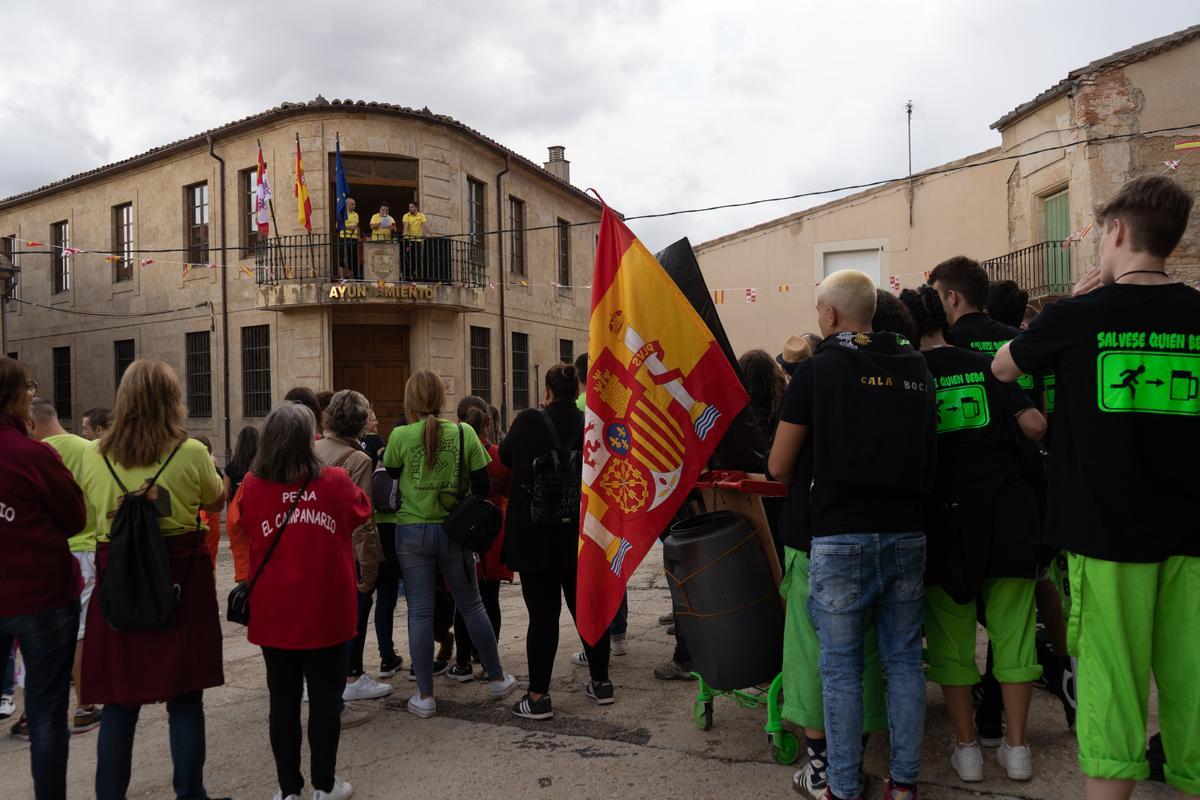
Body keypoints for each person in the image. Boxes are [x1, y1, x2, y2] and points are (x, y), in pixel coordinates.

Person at [992, 175, 1200, 800]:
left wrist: (1069, 307)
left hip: (1106, 537)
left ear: (1114, 232)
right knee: (1192, 681)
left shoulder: (1077, 316)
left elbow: (1003, 367)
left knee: (1112, 684)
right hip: (1193, 535)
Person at [768, 270, 936, 800]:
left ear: (832, 315)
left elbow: (778, 465)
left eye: (820, 311)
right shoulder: (917, 368)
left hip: (840, 538)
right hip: (909, 533)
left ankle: (840, 787)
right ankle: (903, 786)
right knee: (905, 663)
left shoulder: (817, 372)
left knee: (839, 670)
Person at [899, 286, 1047, 782]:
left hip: (945, 524)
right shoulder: (986, 364)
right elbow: (1033, 424)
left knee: (951, 639)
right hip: (1008, 515)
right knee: (1014, 637)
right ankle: (1018, 747)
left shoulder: (910, 378)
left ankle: (967, 751)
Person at [76, 359, 228, 800]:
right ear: (172, 400)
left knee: (120, 702)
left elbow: (86, 508)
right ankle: (189, 793)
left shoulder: (93, 454)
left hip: (118, 574)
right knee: (185, 699)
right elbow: (215, 501)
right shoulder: (191, 452)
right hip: (179, 576)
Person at [235, 402, 371, 800]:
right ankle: (324, 786)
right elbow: (362, 511)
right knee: (325, 702)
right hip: (327, 609)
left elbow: (240, 521)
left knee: (283, 702)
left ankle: (288, 789)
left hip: (275, 612)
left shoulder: (253, 485)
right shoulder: (335, 482)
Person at [382, 370, 517, 718]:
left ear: (410, 400)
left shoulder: (399, 435)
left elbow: (393, 472)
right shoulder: (463, 432)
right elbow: (483, 484)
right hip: (452, 532)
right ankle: (497, 677)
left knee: (420, 611)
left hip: (411, 532)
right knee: (471, 605)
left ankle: (425, 696)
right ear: (442, 399)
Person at [501, 363, 613, 720]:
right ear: (576, 389)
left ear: (546, 392)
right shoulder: (589, 422)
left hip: (536, 535)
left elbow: (506, 460)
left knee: (543, 617)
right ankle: (601, 683)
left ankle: (538, 697)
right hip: (580, 533)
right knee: (586, 609)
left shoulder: (527, 422)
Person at [0, 357, 86, 799]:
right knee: (49, 710)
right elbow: (75, 516)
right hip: (42, 598)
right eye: (28, 388)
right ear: (15, 398)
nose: (32, 394)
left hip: (34, 597)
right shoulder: (34, 455)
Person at [30, 398, 102, 735]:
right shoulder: (87, 448)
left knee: (45, 632)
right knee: (80, 632)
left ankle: (38, 711)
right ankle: (83, 707)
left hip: (49, 552)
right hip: (86, 546)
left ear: (33, 424)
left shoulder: (32, 454)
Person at [314, 391, 387, 703]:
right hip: (344, 551)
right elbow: (362, 518)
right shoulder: (358, 459)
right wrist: (369, 566)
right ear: (360, 425)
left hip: (312, 545)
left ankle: (317, 680)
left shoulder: (311, 449)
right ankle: (350, 677)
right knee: (351, 617)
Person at [448, 405, 514, 681]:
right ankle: (488, 660)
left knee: (463, 600)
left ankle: (462, 662)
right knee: (490, 598)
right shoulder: (498, 455)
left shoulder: (455, 454)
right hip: (493, 527)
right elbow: (509, 489)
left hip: (464, 527)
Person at [224, 426, 258, 583]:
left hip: (236, 516)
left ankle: (244, 582)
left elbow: (224, 494)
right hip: (257, 514)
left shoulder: (231, 467)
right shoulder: (260, 467)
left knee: (241, 554)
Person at [193, 435, 223, 568]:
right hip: (211, 516)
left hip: (201, 517)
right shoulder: (213, 471)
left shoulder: (193, 471)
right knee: (210, 558)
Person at [338, 196, 360, 281]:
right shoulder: (342, 214)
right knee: (342, 257)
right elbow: (339, 226)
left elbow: (357, 226)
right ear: (347, 204)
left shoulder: (356, 215)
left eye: (354, 204)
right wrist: (349, 227)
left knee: (352, 257)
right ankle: (342, 277)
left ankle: (351, 277)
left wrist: (358, 236)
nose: (354, 206)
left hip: (353, 238)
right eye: (352, 204)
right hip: (343, 237)